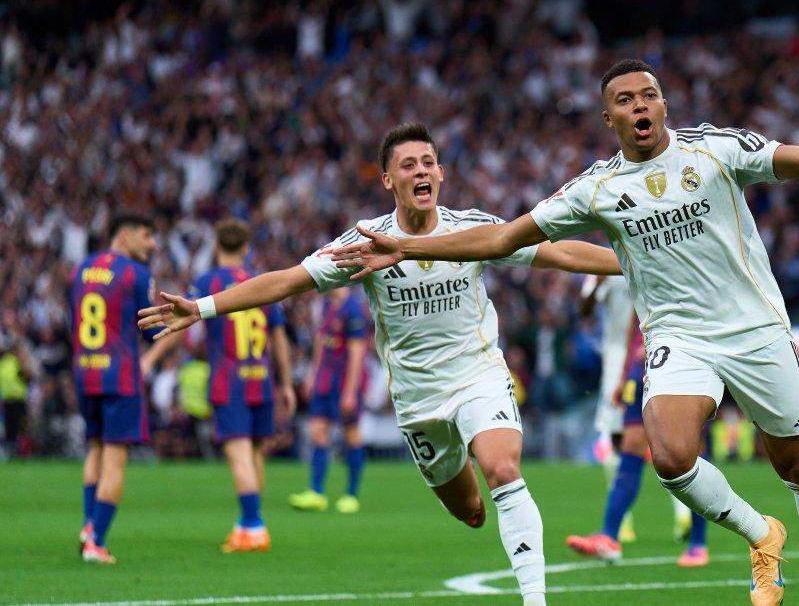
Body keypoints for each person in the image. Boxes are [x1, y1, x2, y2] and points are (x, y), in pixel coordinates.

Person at [325, 60, 799, 606]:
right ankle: (761, 533)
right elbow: (501, 236)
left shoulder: (716, 150)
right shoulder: (597, 188)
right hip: (677, 337)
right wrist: (406, 250)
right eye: (623, 100)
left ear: (663, 104)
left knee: (798, 461)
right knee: (667, 455)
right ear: (608, 119)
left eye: (648, 94)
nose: (639, 105)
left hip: (753, 326)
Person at [137, 122, 622, 606]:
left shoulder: (474, 228)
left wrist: (629, 261)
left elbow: (557, 251)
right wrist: (202, 308)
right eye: (408, 165)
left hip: (479, 376)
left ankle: (534, 600)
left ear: (442, 174)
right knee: (472, 510)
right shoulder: (366, 242)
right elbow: (288, 281)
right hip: (418, 400)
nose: (421, 171)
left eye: (428, 163)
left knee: (502, 469)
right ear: (388, 180)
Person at [144, 218, 298, 552]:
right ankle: (249, 523)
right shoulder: (262, 283)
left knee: (239, 454)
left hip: (230, 383)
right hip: (261, 379)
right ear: (246, 248)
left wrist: (151, 358)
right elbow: (279, 338)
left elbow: (181, 323)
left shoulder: (208, 281)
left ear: (216, 247)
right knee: (256, 452)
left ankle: (254, 526)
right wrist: (285, 382)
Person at [566, 324, 709, 567]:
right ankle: (609, 537)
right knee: (630, 446)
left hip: (683, 363)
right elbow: (635, 325)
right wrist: (623, 376)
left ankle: (698, 543)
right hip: (641, 366)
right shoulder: (638, 286)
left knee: (689, 452)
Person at [70, 212, 161, 564]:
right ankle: (97, 540)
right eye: (146, 235)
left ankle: (87, 526)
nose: (151, 244)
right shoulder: (136, 274)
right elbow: (152, 330)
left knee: (94, 449)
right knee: (115, 458)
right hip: (120, 376)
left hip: (86, 371)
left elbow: (72, 322)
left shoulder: (79, 270)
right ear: (124, 235)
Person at [289, 286, 371, 513]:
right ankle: (316, 492)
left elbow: (357, 352)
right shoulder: (325, 304)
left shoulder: (353, 309)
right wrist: (312, 375)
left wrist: (350, 391)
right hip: (325, 378)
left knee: (351, 434)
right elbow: (320, 341)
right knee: (317, 430)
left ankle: (351, 495)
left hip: (345, 380)